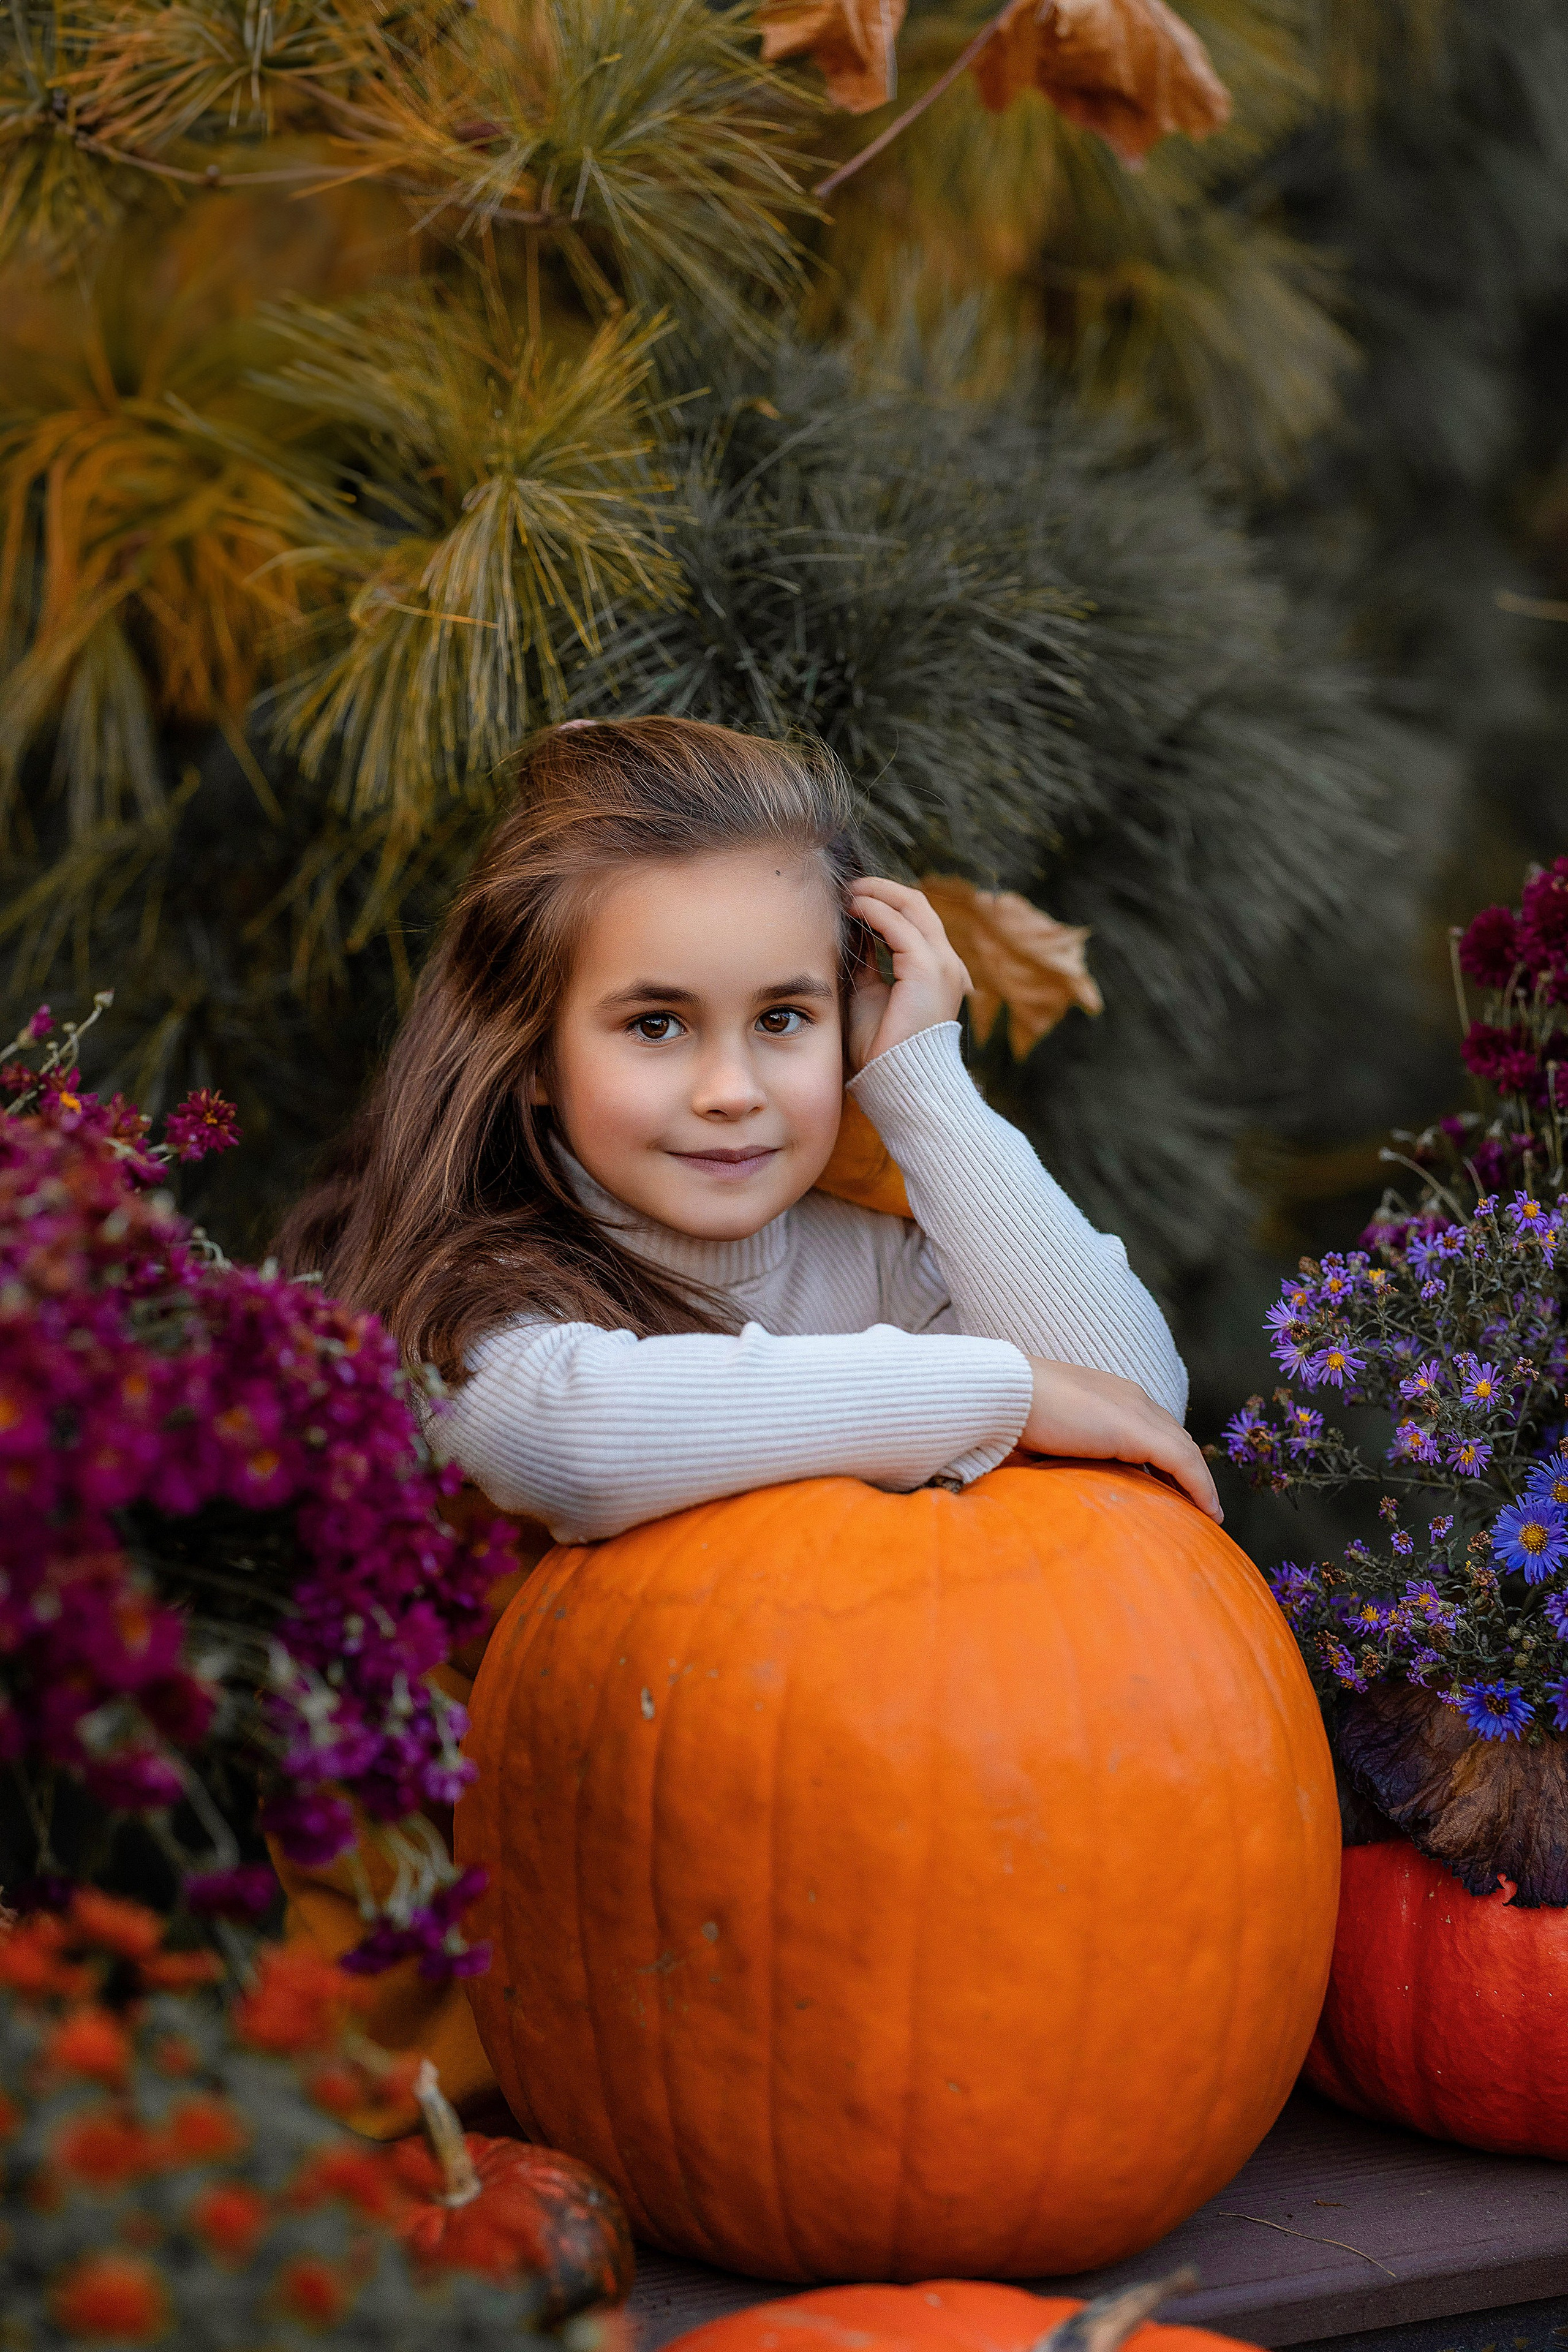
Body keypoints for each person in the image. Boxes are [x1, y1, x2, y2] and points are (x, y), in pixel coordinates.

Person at [279, 715, 1217, 1539]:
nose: (732, 1090)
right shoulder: (475, 1286)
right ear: (530, 1054)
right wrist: (1006, 1393)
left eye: (781, 1019)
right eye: (656, 1025)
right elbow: (579, 1445)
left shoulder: (883, 1255)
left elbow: (1127, 1403)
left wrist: (920, 1081)